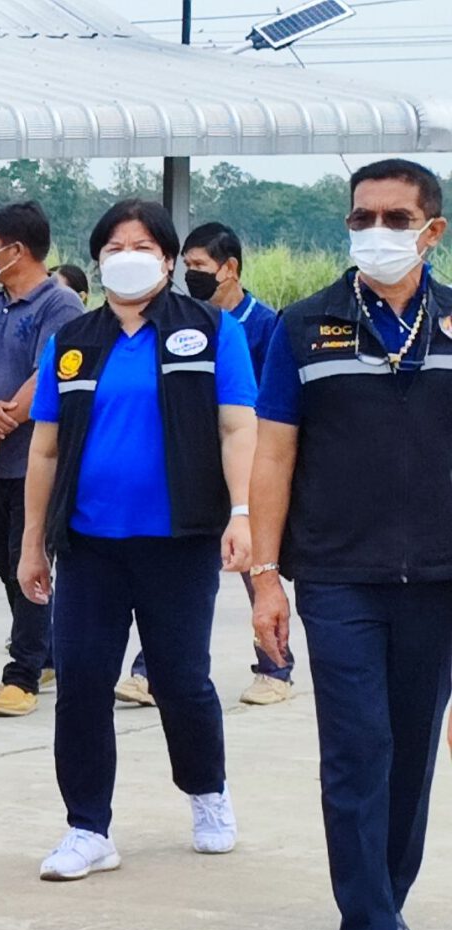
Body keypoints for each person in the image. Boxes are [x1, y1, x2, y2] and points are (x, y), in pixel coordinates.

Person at [248, 158, 452, 930]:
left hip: (437, 578)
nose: (376, 232)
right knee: (355, 752)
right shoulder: (304, 326)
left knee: (410, 754)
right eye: (362, 217)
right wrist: (265, 577)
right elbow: (273, 456)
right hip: (337, 576)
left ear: (432, 231)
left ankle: (387, 896)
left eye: (395, 219)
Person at [15, 199, 256, 883]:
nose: (128, 256)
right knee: (83, 684)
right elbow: (45, 449)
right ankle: (87, 827)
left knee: (180, 680)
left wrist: (241, 513)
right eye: (114, 246)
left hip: (179, 540)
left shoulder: (210, 330)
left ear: (169, 259)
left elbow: (238, 427)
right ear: (98, 260)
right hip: (90, 545)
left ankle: (207, 792)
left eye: (144, 245)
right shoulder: (74, 341)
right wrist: (33, 541)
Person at [120, 222, 296, 707]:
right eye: (187, 266)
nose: (191, 275)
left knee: (254, 567)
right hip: (194, 463)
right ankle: (149, 670)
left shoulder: (263, 325)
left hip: (247, 462)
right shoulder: (181, 322)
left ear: (230, 268)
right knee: (175, 574)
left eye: (200, 266)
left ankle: (276, 668)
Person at [0, 202, 82, 718]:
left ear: (16, 250)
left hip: (33, 462)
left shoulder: (59, 305)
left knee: (29, 559)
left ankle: (21, 673)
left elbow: (45, 378)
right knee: (5, 564)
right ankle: (46, 653)